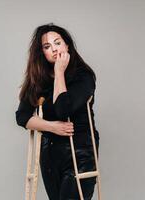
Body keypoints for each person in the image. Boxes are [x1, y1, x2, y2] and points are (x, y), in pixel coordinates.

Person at [15, 23, 100, 200]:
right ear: (42, 53)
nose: (54, 49)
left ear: (67, 45)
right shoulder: (38, 80)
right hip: (50, 154)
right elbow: (22, 117)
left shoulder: (83, 76)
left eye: (57, 43)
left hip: (80, 152)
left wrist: (59, 71)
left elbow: (63, 109)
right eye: (47, 46)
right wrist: (51, 127)